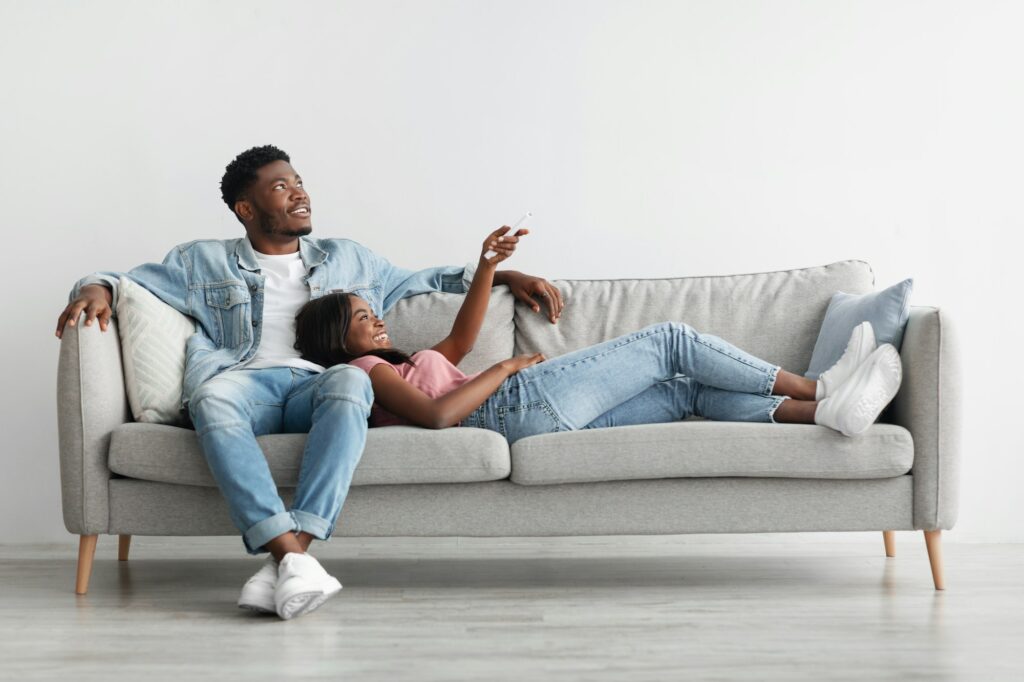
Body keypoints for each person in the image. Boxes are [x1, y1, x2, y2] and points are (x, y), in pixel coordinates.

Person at [54, 145, 563, 620]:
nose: (299, 192)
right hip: (241, 382)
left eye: (298, 181)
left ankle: (289, 558)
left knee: (350, 381)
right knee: (210, 399)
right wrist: (96, 290)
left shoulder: (349, 258)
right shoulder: (199, 261)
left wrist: (504, 276)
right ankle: (293, 558)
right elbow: (123, 280)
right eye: (280, 187)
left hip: (317, 384)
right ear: (246, 209)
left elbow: (429, 280)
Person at [293, 228, 903, 444]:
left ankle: (821, 416)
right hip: (515, 405)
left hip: (528, 412)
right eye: (359, 315)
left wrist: (486, 264)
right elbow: (433, 417)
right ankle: (822, 388)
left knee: (684, 395)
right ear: (336, 340)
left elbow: (460, 335)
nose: (375, 315)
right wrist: (502, 370)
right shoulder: (361, 375)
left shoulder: (400, 361)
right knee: (669, 340)